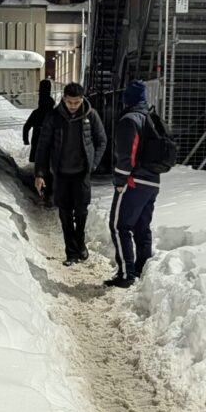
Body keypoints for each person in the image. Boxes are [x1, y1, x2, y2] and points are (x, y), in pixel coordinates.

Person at [35, 82, 107, 266]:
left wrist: (93, 163)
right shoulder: (54, 117)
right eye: (70, 102)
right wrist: (40, 173)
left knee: (81, 212)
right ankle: (71, 253)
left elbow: (102, 140)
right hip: (61, 174)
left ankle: (80, 242)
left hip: (82, 173)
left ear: (82, 99)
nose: (73, 106)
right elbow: (43, 147)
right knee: (65, 214)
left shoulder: (91, 115)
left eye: (76, 102)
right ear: (64, 99)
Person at [105, 80, 162, 289]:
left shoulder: (130, 120)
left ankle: (126, 273)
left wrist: (120, 180)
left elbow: (126, 155)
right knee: (142, 227)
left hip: (133, 181)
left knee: (119, 226)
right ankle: (142, 270)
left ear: (127, 99)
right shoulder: (151, 117)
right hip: (152, 181)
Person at [23, 79, 55, 204]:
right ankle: (49, 192)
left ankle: (43, 191)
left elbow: (26, 126)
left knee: (40, 165)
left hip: (38, 138)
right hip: (50, 141)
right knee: (49, 166)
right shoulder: (53, 113)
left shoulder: (36, 113)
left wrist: (26, 140)